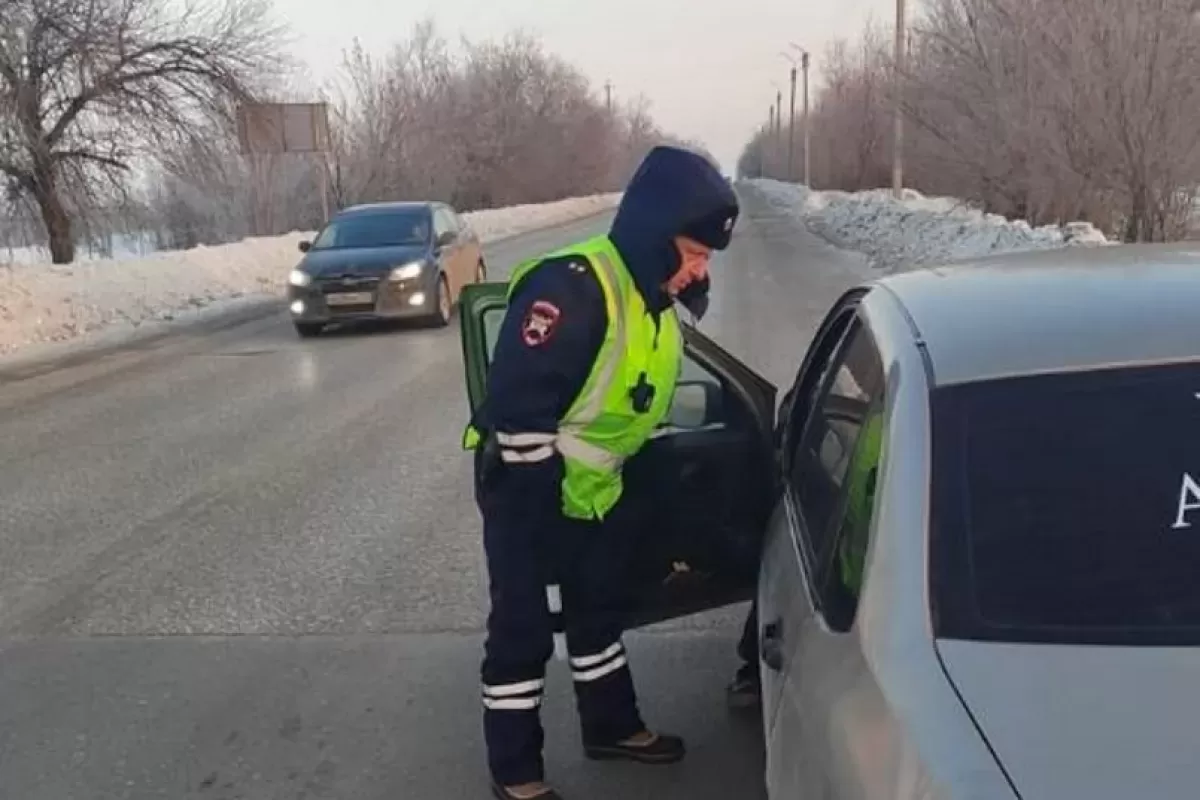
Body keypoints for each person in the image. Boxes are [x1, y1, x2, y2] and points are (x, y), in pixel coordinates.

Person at [462, 144, 739, 800]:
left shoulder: (654, 299)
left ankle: (612, 727)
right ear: (654, 238)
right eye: (692, 254)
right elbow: (520, 416)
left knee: (598, 611)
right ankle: (516, 772)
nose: (696, 272)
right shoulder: (573, 289)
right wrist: (540, 517)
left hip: (596, 486)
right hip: (527, 480)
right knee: (523, 629)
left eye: (705, 259)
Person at [725, 398, 884, 708]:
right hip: (867, 586)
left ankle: (753, 670)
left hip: (848, 587)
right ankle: (754, 669)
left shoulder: (878, 414)